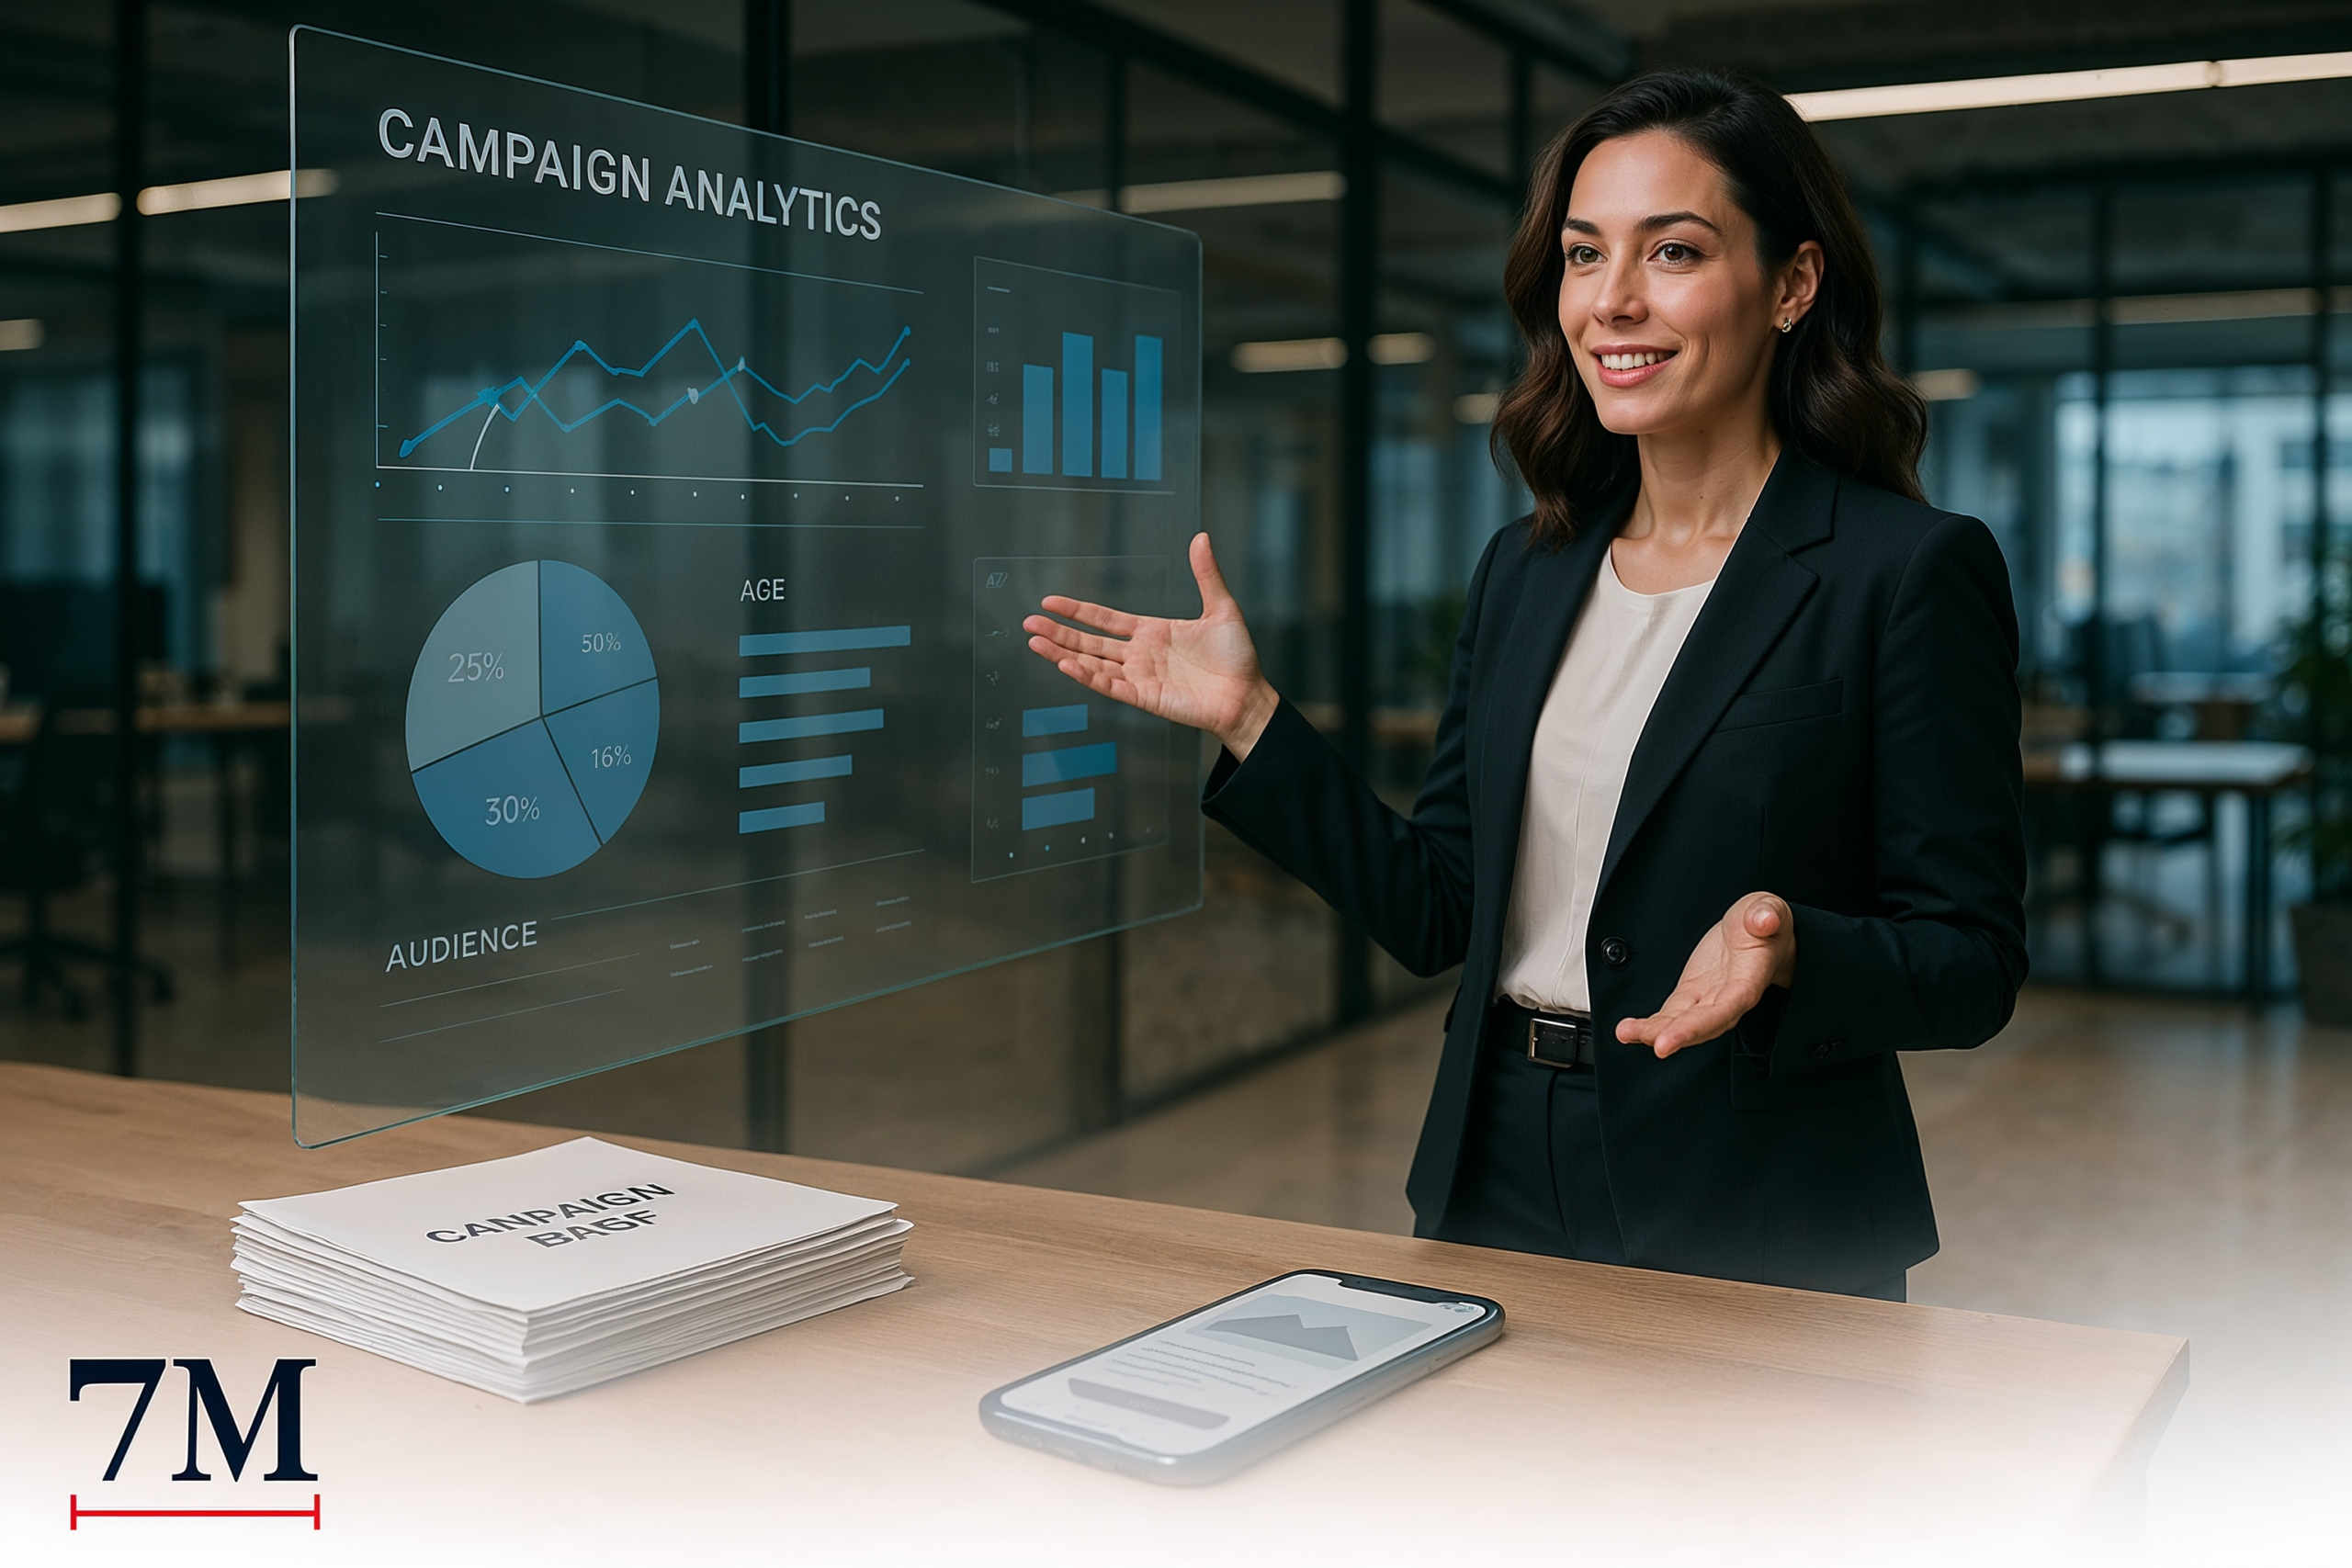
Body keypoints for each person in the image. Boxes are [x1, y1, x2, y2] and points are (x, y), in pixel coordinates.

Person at [1023, 69, 2027, 1300]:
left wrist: (1796, 950)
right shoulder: (1528, 569)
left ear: (1793, 285)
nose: (1612, 301)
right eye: (1583, 255)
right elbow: (1440, 905)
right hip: (1493, 1158)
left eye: (1672, 251)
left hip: (1759, 1192)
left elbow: (1971, 958)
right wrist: (1251, 720)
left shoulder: (1905, 570)